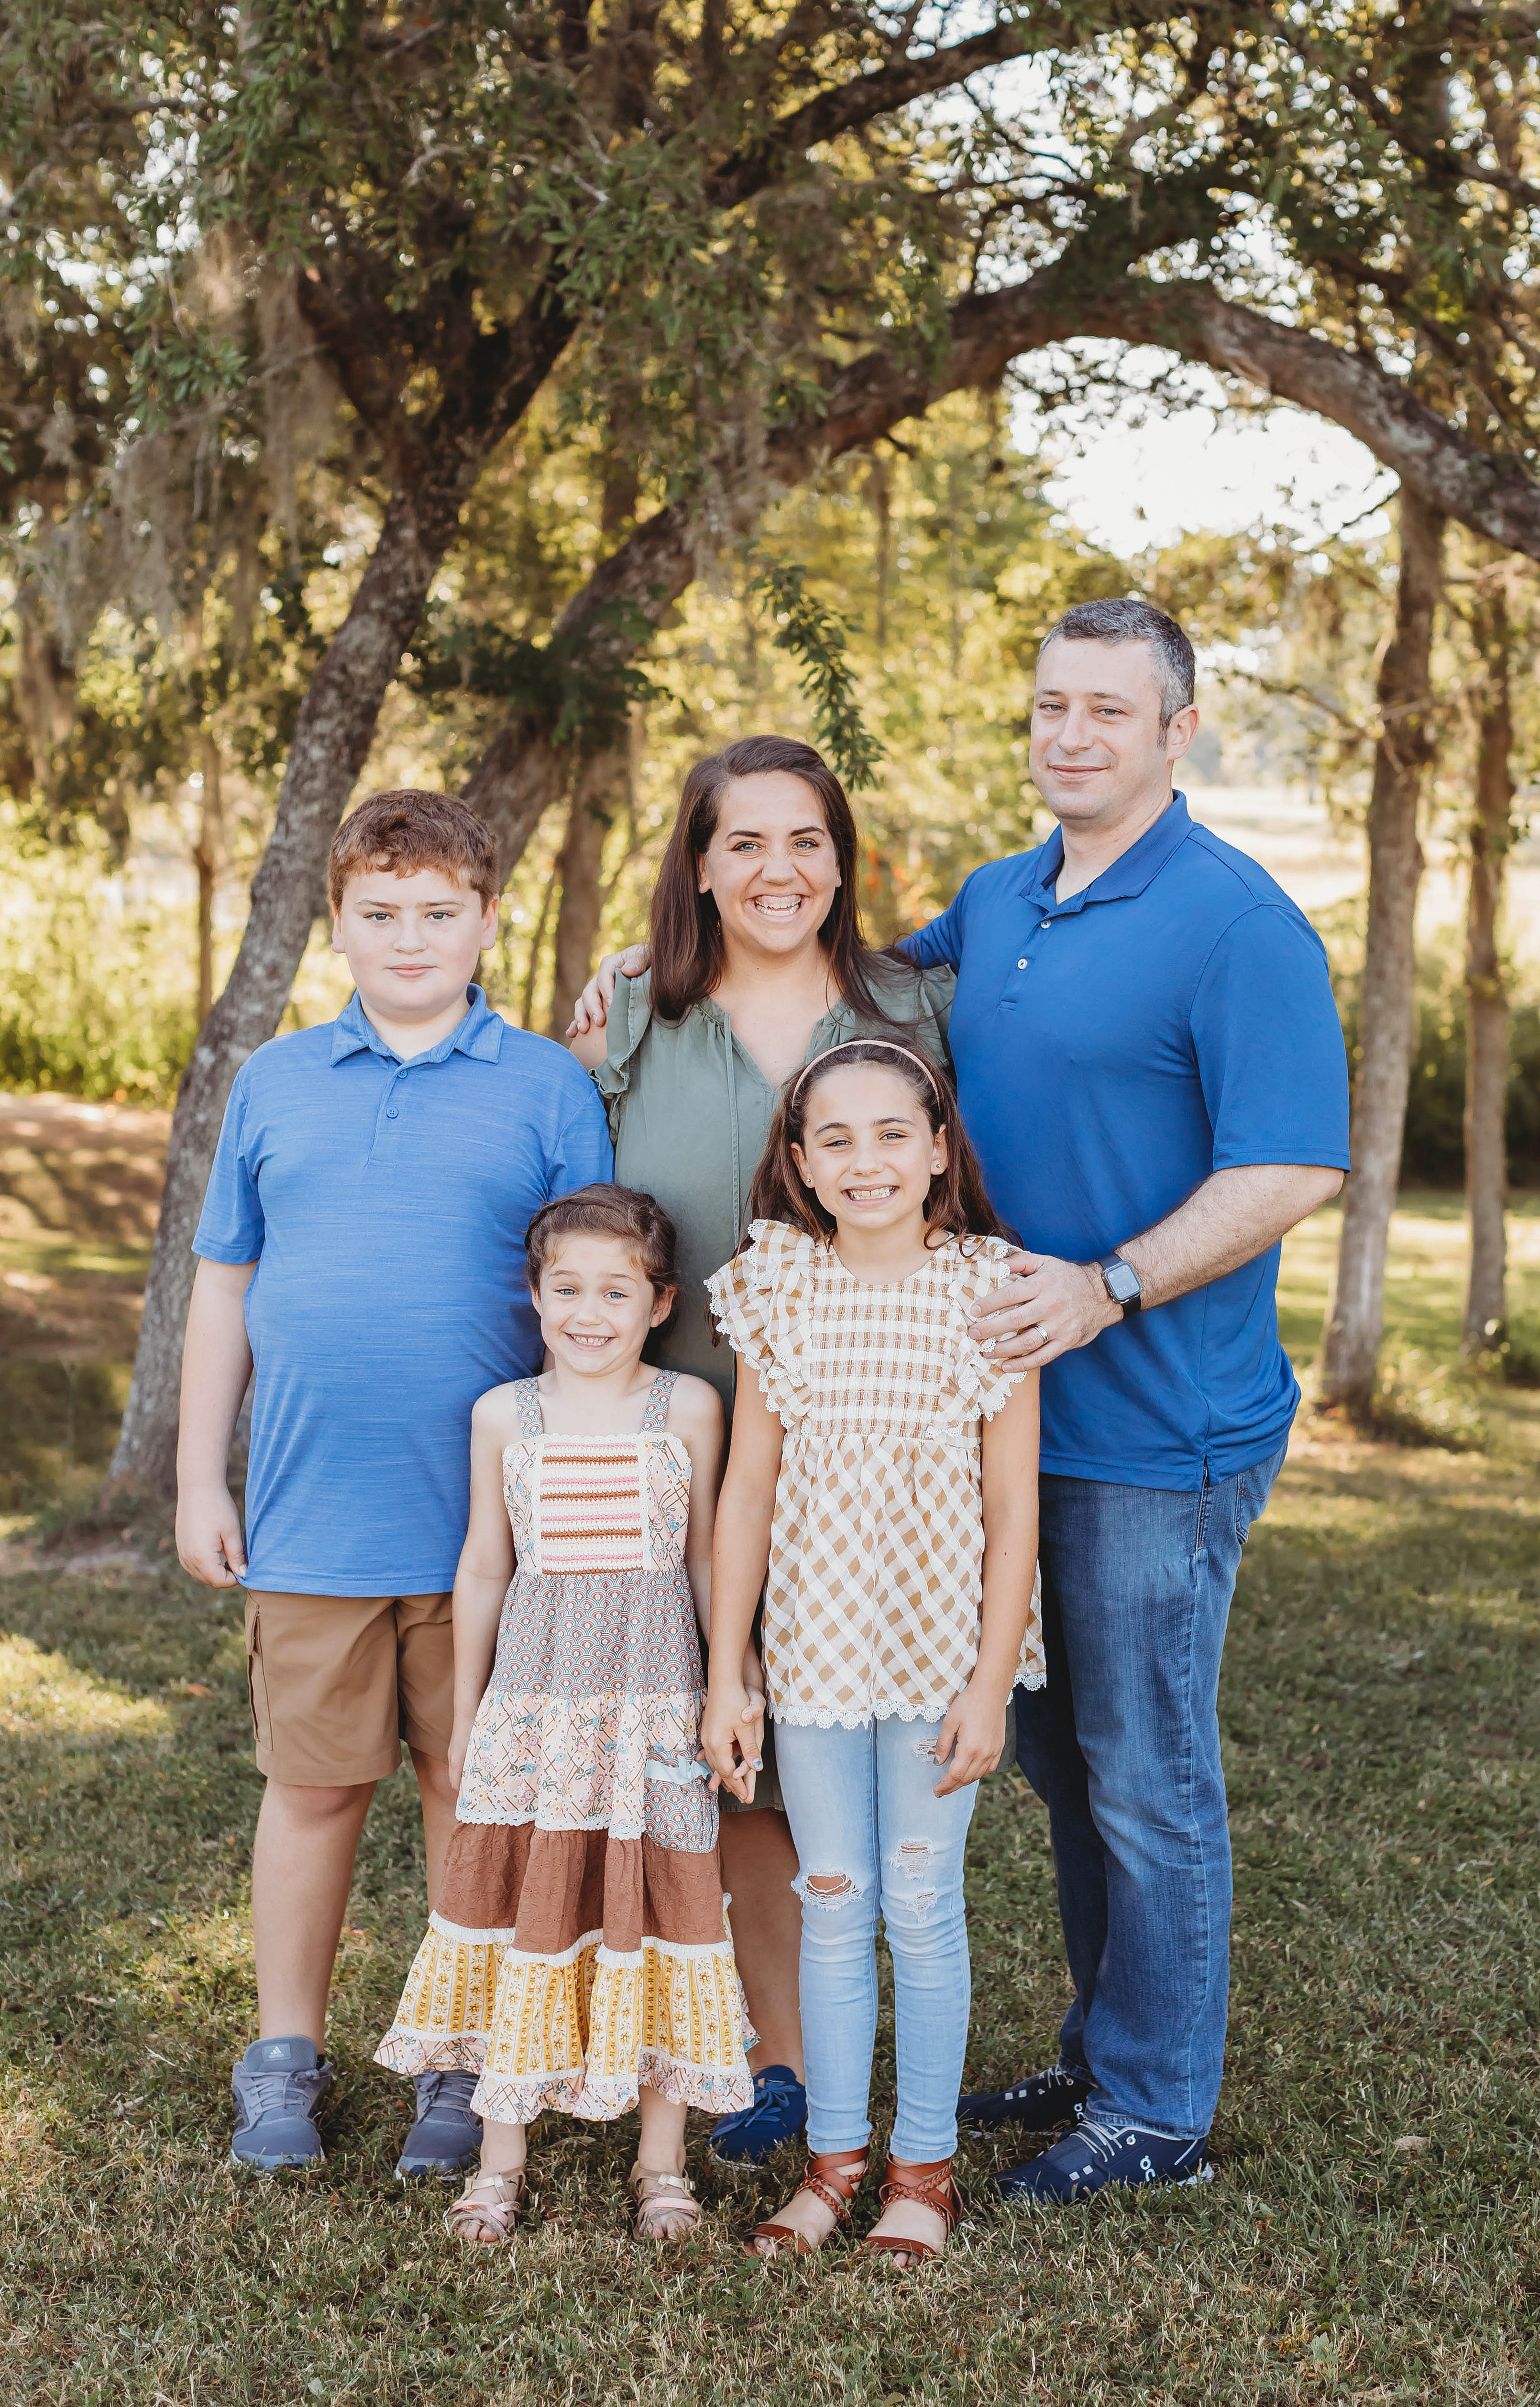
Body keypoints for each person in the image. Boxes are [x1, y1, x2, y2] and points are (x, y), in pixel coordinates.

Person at [894, 599, 1350, 2199]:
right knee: (1057, 1757)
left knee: (1147, 1769)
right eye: (1047, 708)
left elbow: (1293, 1163)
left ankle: (1156, 2112)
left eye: (1106, 711)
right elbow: (867, 978)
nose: (1068, 736)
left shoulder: (1239, 925)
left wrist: (1111, 1285)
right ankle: (1104, 2046)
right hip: (1009, 1425)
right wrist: (670, 954)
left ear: (1179, 732)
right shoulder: (1000, 895)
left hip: (1165, 1424)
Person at [176, 791, 613, 2179]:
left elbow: (590, 1293)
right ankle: (284, 2054)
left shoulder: (546, 1084)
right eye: (381, 912)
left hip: (487, 1528)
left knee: (463, 1785)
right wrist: (200, 1471)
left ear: (489, 919)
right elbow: (224, 1287)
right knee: (313, 1789)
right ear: (339, 922)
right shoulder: (276, 1079)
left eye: (439, 912)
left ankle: (460, 2050)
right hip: (313, 1515)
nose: (410, 935)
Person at [569, 732, 952, 2163]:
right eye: (743, 843)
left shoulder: (918, 1007)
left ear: (842, 859)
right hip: (689, 1453)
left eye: (805, 840)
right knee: (731, 1756)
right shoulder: (631, 1022)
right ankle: (778, 2059)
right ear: (699, 864)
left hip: (872, 1458)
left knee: (845, 1747)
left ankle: (876, 2081)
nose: (777, 869)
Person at [702, 1040, 1042, 2263]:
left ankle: (923, 2171)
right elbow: (745, 1492)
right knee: (832, 1903)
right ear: (797, 1162)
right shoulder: (777, 1284)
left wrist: (992, 1680)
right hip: (811, 1652)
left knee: (920, 1902)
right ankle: (834, 2164)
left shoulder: (987, 1289)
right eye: (834, 1139)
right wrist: (729, 1669)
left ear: (939, 1149)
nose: (866, 1160)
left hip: (937, 1652)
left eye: (893, 1134)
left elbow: (1015, 1512)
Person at [375, 1185, 754, 2244]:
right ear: (535, 1297)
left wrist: (731, 1681)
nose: (590, 1313)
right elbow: (485, 1565)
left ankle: (660, 2156)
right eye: (566, 1290)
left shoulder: (685, 1407)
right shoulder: (506, 1415)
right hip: (535, 1706)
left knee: (667, 1904)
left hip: (653, 1700)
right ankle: (500, 2160)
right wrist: (466, 1709)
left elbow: (707, 1558)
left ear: (659, 1302)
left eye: (616, 1292)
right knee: (521, 1906)